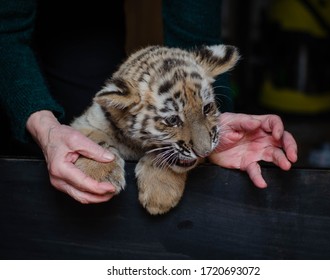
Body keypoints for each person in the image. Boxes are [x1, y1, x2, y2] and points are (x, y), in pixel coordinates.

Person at [0, 0, 297, 204]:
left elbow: (195, 37)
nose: (203, 145)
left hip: (96, 13)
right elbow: (5, 30)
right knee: (60, 149)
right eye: (172, 120)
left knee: (92, 73)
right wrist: (46, 128)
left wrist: (214, 124)